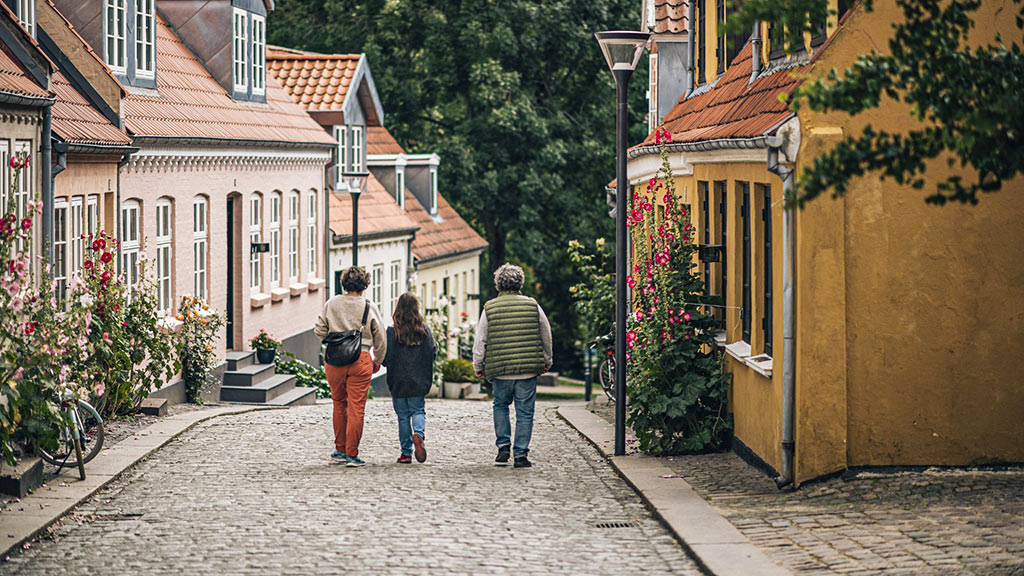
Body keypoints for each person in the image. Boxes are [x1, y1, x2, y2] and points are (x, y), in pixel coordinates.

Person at [473, 263, 553, 469]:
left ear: (498, 284)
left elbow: (481, 339)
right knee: (525, 412)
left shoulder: (489, 308)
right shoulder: (532, 305)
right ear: (520, 283)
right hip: (527, 371)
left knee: (500, 405)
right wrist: (546, 359)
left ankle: (503, 446)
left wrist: (478, 364)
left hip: (500, 370)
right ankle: (520, 454)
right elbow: (546, 333)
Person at [314, 266, 386, 467]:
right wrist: (378, 360)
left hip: (335, 361)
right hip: (361, 360)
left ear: (344, 283)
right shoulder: (368, 307)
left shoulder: (332, 303)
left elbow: (319, 329)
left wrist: (335, 339)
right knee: (356, 408)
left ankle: (340, 449)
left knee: (338, 403)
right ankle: (352, 455)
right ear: (364, 285)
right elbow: (381, 337)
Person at [382, 292, 437, 464]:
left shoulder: (392, 332)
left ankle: (406, 453)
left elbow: (387, 357)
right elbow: (432, 351)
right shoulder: (424, 331)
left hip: (398, 380)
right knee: (418, 410)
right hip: (418, 380)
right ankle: (419, 434)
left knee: (403, 416)